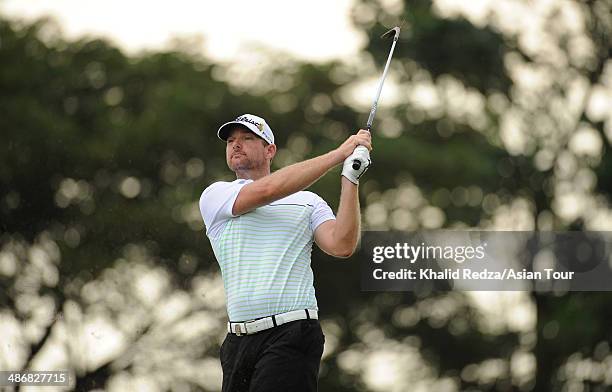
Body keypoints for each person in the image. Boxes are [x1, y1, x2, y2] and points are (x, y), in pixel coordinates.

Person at [199, 114, 371, 392]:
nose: (236, 145)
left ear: (270, 150)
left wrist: (350, 177)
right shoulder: (216, 196)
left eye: (247, 139)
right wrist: (338, 154)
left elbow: (341, 245)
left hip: (291, 333)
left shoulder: (308, 202)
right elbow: (268, 189)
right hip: (237, 342)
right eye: (231, 141)